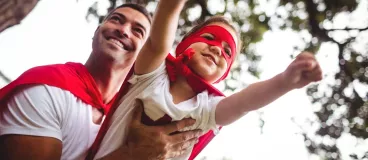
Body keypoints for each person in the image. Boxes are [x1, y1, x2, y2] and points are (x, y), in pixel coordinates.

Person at [90, 0, 323, 159]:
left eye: (227, 51)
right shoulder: (151, 73)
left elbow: (245, 103)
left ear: (223, 74)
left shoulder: (208, 110)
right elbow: (159, 35)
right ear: (184, 45)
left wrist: (284, 81)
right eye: (209, 38)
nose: (217, 49)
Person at [0, 3, 203, 160]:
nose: (123, 30)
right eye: (116, 19)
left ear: (145, 54)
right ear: (97, 31)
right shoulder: (46, 88)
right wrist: (130, 155)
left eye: (137, 31)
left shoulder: (131, 115)